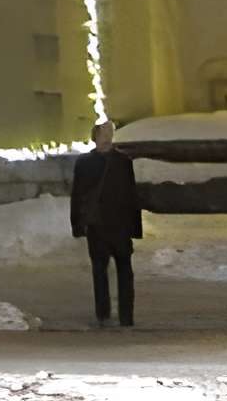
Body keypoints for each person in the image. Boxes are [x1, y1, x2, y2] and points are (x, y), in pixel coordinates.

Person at [68, 119, 142, 329]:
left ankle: (125, 315)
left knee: (122, 270)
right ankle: (104, 313)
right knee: (101, 271)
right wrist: (77, 224)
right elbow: (78, 195)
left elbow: (131, 195)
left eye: (111, 131)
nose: (109, 135)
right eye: (105, 131)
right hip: (99, 225)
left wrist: (135, 227)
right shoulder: (87, 163)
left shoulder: (123, 161)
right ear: (97, 135)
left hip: (116, 224)